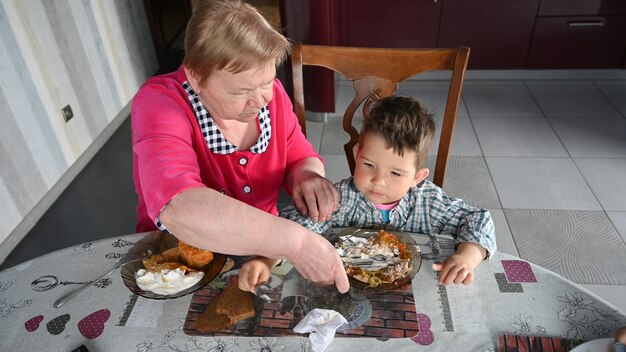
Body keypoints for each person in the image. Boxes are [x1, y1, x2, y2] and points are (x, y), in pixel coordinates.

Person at [131, 0, 349, 293]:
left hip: (263, 253)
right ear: (196, 76)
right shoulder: (160, 103)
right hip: (176, 266)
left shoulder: (271, 96)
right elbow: (179, 207)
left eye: (267, 82)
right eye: (242, 91)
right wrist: (297, 243)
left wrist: (307, 175)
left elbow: (298, 152)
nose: (261, 100)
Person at [238, 95, 496, 291]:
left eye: (396, 174)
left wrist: (468, 255)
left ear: (417, 177)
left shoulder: (428, 202)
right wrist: (265, 260)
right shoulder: (342, 198)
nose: (378, 182)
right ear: (356, 155)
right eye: (369, 165)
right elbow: (295, 227)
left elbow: (478, 218)